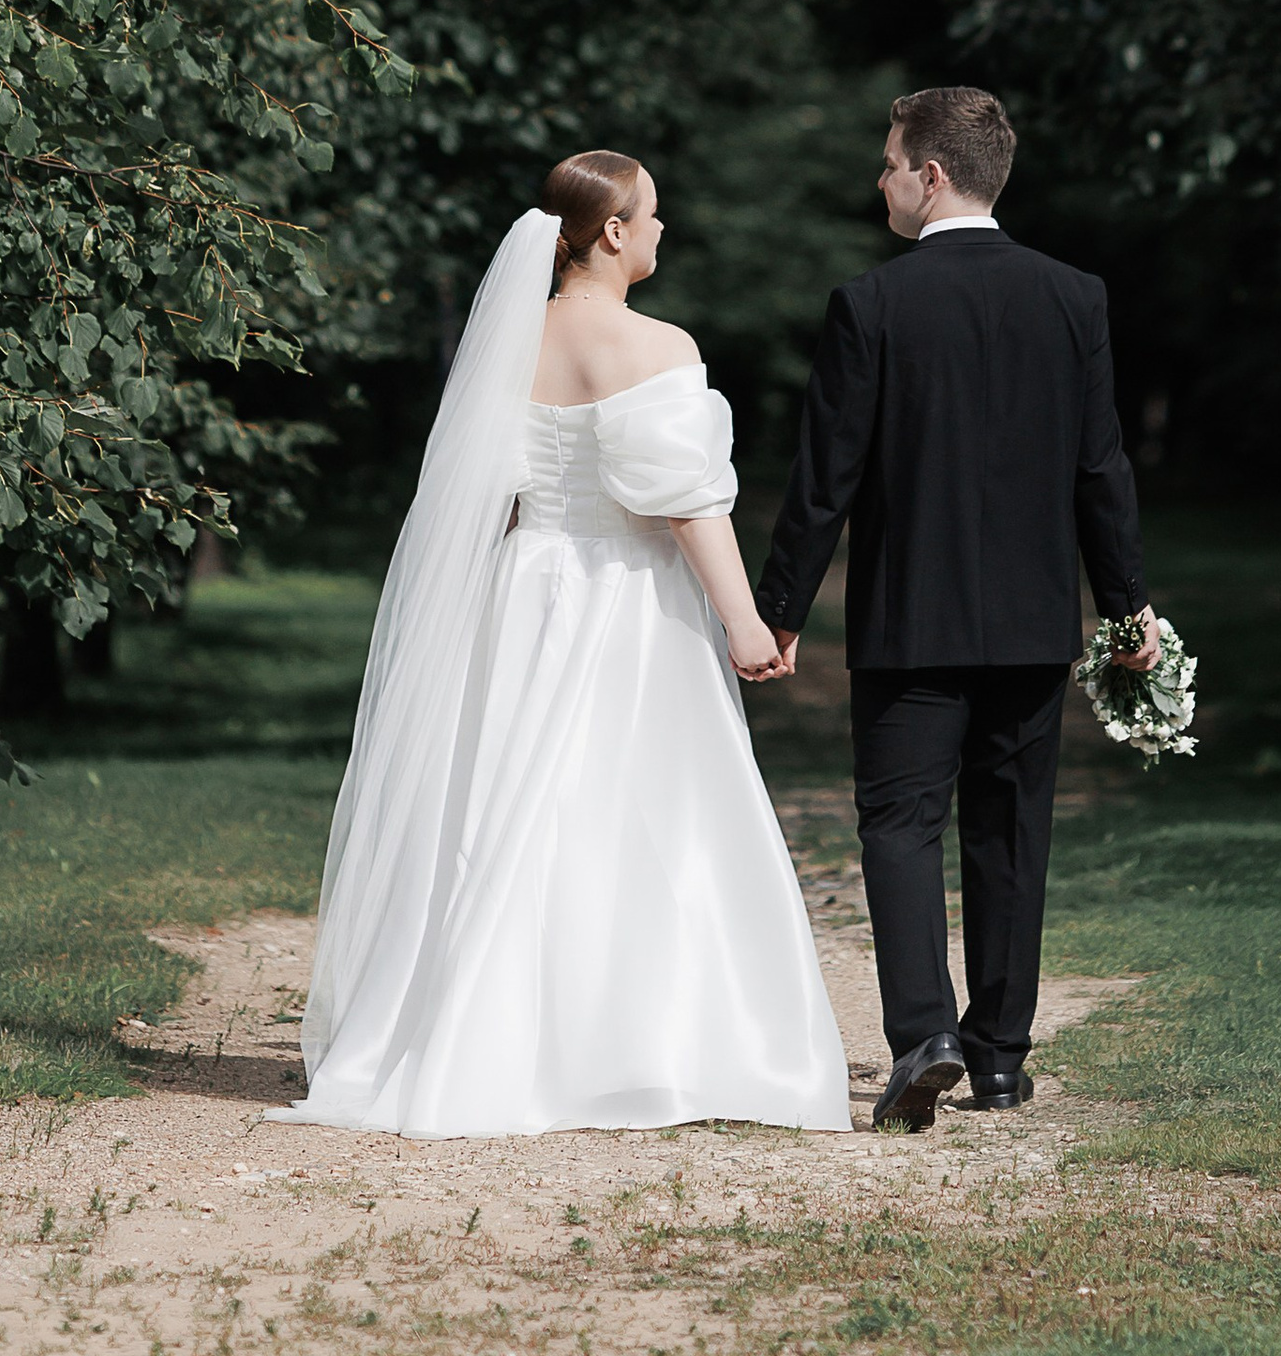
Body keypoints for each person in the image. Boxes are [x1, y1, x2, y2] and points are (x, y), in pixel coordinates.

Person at [279, 150, 850, 1137]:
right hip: (629, 602)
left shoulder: (507, 345)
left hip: (527, 589)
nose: (665, 231)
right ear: (616, 232)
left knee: (510, 807)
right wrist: (743, 620)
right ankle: (637, 1044)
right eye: (655, 215)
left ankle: (486, 1036)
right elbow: (685, 507)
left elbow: (486, 497)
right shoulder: (659, 349)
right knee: (646, 810)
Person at [754, 85, 1158, 1131]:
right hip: (1031, 623)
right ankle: (1002, 1060)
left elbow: (823, 480)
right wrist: (1126, 608)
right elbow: (1099, 469)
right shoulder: (1074, 296)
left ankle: (922, 1034)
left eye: (888, 163)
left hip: (911, 621)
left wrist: (780, 609)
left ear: (932, 174)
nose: (879, 180)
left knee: (900, 824)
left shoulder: (872, 304)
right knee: (1011, 831)